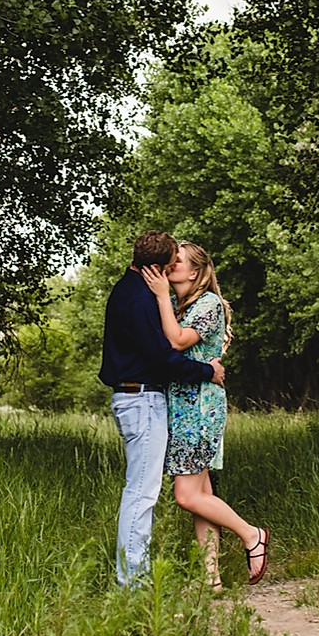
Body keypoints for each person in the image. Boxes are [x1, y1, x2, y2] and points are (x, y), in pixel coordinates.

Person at [99, 230, 226, 587]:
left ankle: (209, 576)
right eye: (171, 263)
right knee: (142, 492)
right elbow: (164, 357)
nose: (173, 268)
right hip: (142, 400)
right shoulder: (142, 298)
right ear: (156, 267)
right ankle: (134, 584)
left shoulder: (132, 291)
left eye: (179, 263)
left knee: (168, 491)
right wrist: (207, 371)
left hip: (147, 400)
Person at [144, 242, 268, 589]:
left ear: (196, 271)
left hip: (199, 408)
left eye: (178, 261)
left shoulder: (208, 304)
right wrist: (163, 298)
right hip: (180, 407)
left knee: (186, 495)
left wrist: (161, 296)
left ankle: (252, 534)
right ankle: (210, 579)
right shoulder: (174, 304)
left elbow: (179, 342)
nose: (171, 265)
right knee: (202, 496)